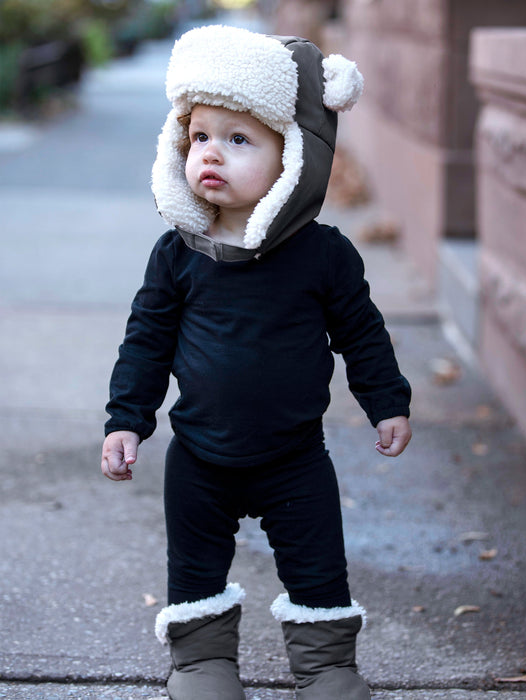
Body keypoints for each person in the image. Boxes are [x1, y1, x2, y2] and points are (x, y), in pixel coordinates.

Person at [101, 24, 411, 700]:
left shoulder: (323, 255)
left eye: (239, 139)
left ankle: (327, 664)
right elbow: (146, 341)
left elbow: (361, 331)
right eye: (200, 135)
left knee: (319, 567)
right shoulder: (179, 254)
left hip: (295, 458)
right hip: (199, 457)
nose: (211, 152)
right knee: (194, 568)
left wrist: (387, 399)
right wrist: (126, 419)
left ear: (293, 158)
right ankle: (202, 662)